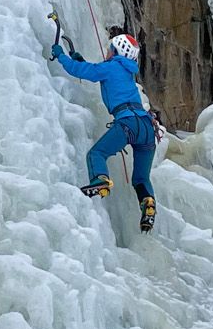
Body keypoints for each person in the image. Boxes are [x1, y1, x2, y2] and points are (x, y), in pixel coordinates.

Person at [51, 26, 160, 232]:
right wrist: (79, 59)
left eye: (111, 48)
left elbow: (83, 72)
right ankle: (148, 206)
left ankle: (100, 180)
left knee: (97, 153)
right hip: (146, 127)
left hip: (128, 123)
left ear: (117, 52)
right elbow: (97, 72)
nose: (108, 51)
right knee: (141, 178)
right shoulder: (126, 71)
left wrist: (62, 56)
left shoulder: (111, 67)